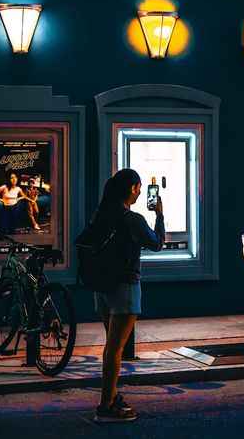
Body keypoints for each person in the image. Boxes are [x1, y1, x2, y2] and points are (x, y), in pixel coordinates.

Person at [91, 169, 164, 423]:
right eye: (139, 187)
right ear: (132, 188)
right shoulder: (133, 219)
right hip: (125, 288)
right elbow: (156, 243)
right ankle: (105, 406)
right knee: (114, 349)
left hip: (101, 289)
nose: (141, 192)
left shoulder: (101, 215)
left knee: (113, 346)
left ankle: (111, 396)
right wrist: (159, 214)